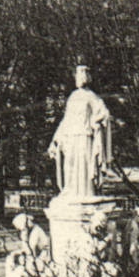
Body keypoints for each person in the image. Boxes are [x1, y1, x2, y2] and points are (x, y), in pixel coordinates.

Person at [47, 64, 111, 199]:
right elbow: (66, 120)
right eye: (77, 74)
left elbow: (104, 113)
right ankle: (70, 191)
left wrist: (95, 121)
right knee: (69, 165)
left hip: (84, 136)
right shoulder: (73, 97)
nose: (77, 77)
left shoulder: (91, 96)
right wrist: (55, 139)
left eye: (79, 74)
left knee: (83, 167)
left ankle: (84, 193)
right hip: (70, 137)